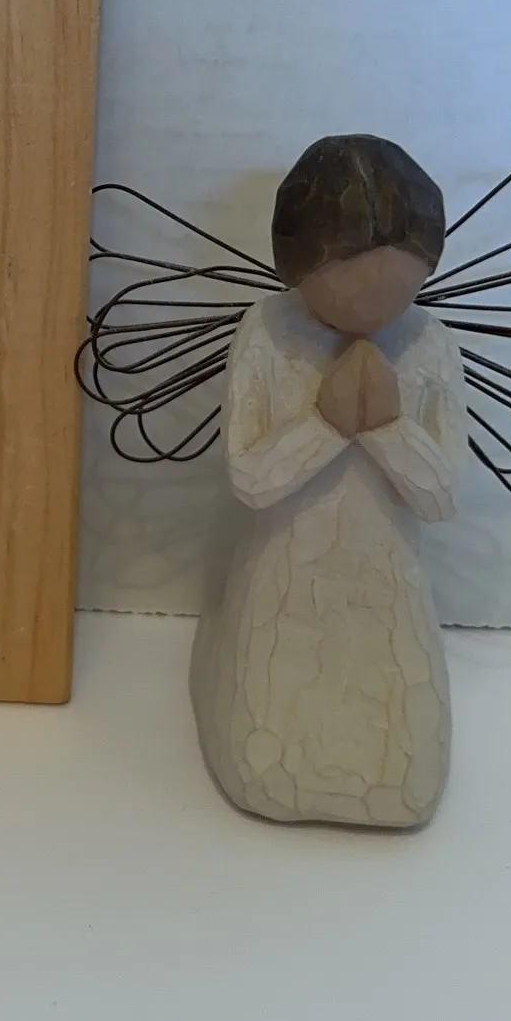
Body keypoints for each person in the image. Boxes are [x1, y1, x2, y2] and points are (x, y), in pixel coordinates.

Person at [189, 135, 469, 827]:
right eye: (350, 290)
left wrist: (388, 427)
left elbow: (441, 497)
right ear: (297, 267)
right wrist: (324, 424)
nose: (376, 313)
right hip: (282, 576)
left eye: (397, 292)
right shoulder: (264, 333)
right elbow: (250, 479)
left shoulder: (429, 344)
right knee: (270, 743)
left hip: (386, 584)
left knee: (401, 762)